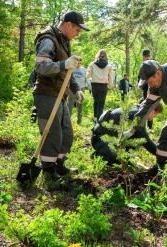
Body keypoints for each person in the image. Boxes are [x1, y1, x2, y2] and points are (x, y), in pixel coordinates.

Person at [33, 11, 89, 180]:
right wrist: (65, 63)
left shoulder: (63, 41)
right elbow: (41, 67)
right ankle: (49, 171)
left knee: (67, 132)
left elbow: (67, 73)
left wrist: (76, 88)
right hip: (47, 94)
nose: (78, 34)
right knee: (53, 133)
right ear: (67, 24)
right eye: (77, 30)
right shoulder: (49, 39)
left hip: (60, 96)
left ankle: (59, 164)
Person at [91, 102, 163, 165]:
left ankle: (123, 157)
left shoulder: (137, 110)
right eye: (155, 114)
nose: (154, 117)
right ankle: (99, 155)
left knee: (136, 141)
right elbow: (145, 140)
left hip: (108, 139)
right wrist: (162, 155)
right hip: (100, 140)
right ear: (152, 110)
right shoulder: (138, 116)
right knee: (118, 160)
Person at [87, 49, 113, 121]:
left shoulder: (92, 64)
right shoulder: (109, 66)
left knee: (96, 101)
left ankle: (95, 119)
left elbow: (87, 76)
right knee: (101, 103)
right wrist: (110, 86)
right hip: (104, 86)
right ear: (106, 56)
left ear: (97, 55)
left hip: (94, 85)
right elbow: (110, 78)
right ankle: (99, 120)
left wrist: (90, 78)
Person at [67, 58, 90, 124]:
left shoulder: (84, 70)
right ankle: (68, 121)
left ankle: (79, 121)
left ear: (81, 63)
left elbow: (87, 79)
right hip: (72, 89)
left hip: (81, 89)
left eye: (79, 62)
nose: (78, 64)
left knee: (80, 105)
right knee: (69, 105)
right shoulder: (71, 69)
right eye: (77, 62)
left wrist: (88, 87)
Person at [137, 49, 154, 129]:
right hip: (154, 89)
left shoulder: (143, 64)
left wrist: (139, 85)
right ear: (149, 55)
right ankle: (150, 127)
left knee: (146, 106)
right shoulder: (153, 63)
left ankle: (143, 126)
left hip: (146, 88)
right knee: (152, 106)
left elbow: (140, 78)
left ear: (143, 56)